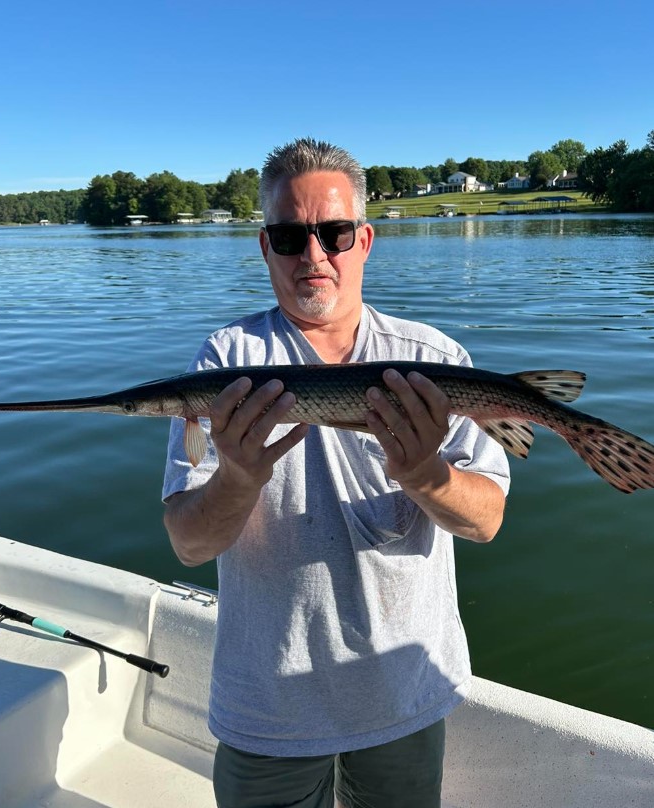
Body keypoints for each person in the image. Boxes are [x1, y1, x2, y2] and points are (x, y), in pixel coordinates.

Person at [162, 137, 510, 808]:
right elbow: (188, 543)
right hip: (267, 705)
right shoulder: (226, 363)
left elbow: (486, 520)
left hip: (402, 691)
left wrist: (423, 474)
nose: (313, 255)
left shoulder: (433, 356)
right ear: (266, 247)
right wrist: (237, 478)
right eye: (290, 236)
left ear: (364, 240)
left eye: (333, 232)